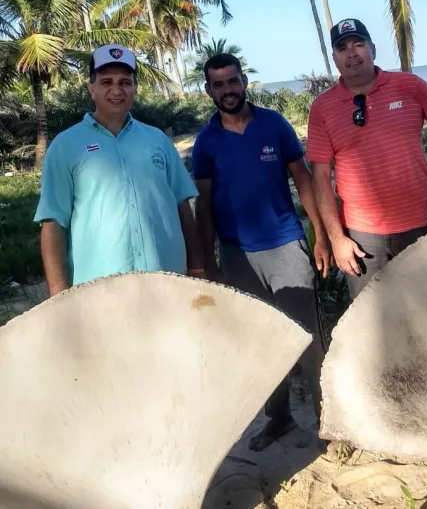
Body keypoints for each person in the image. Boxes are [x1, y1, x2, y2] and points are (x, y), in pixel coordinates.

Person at [192, 53, 331, 452]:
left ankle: (330, 418)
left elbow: (303, 179)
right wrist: (209, 261)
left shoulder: (274, 124)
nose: (227, 90)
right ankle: (280, 418)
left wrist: (318, 234)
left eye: (232, 81)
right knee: (260, 342)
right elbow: (204, 204)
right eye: (218, 85)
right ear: (209, 90)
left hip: (287, 244)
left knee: (308, 338)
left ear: (244, 82)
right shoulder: (205, 142)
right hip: (237, 255)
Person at [307, 19, 427, 300]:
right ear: (334, 58)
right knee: (370, 316)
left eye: (359, 44)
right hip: (362, 237)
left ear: (372, 48)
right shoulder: (323, 108)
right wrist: (337, 239)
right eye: (342, 48)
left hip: (422, 222)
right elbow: (320, 178)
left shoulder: (410, 86)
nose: (352, 53)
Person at [34, 44, 205, 297]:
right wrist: (59, 297)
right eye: (106, 82)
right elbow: (53, 223)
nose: (117, 90)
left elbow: (182, 207)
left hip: (168, 283)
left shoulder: (158, 140)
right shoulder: (65, 146)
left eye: (125, 82)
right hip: (100, 291)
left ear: (134, 88)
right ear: (91, 88)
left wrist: (198, 269)